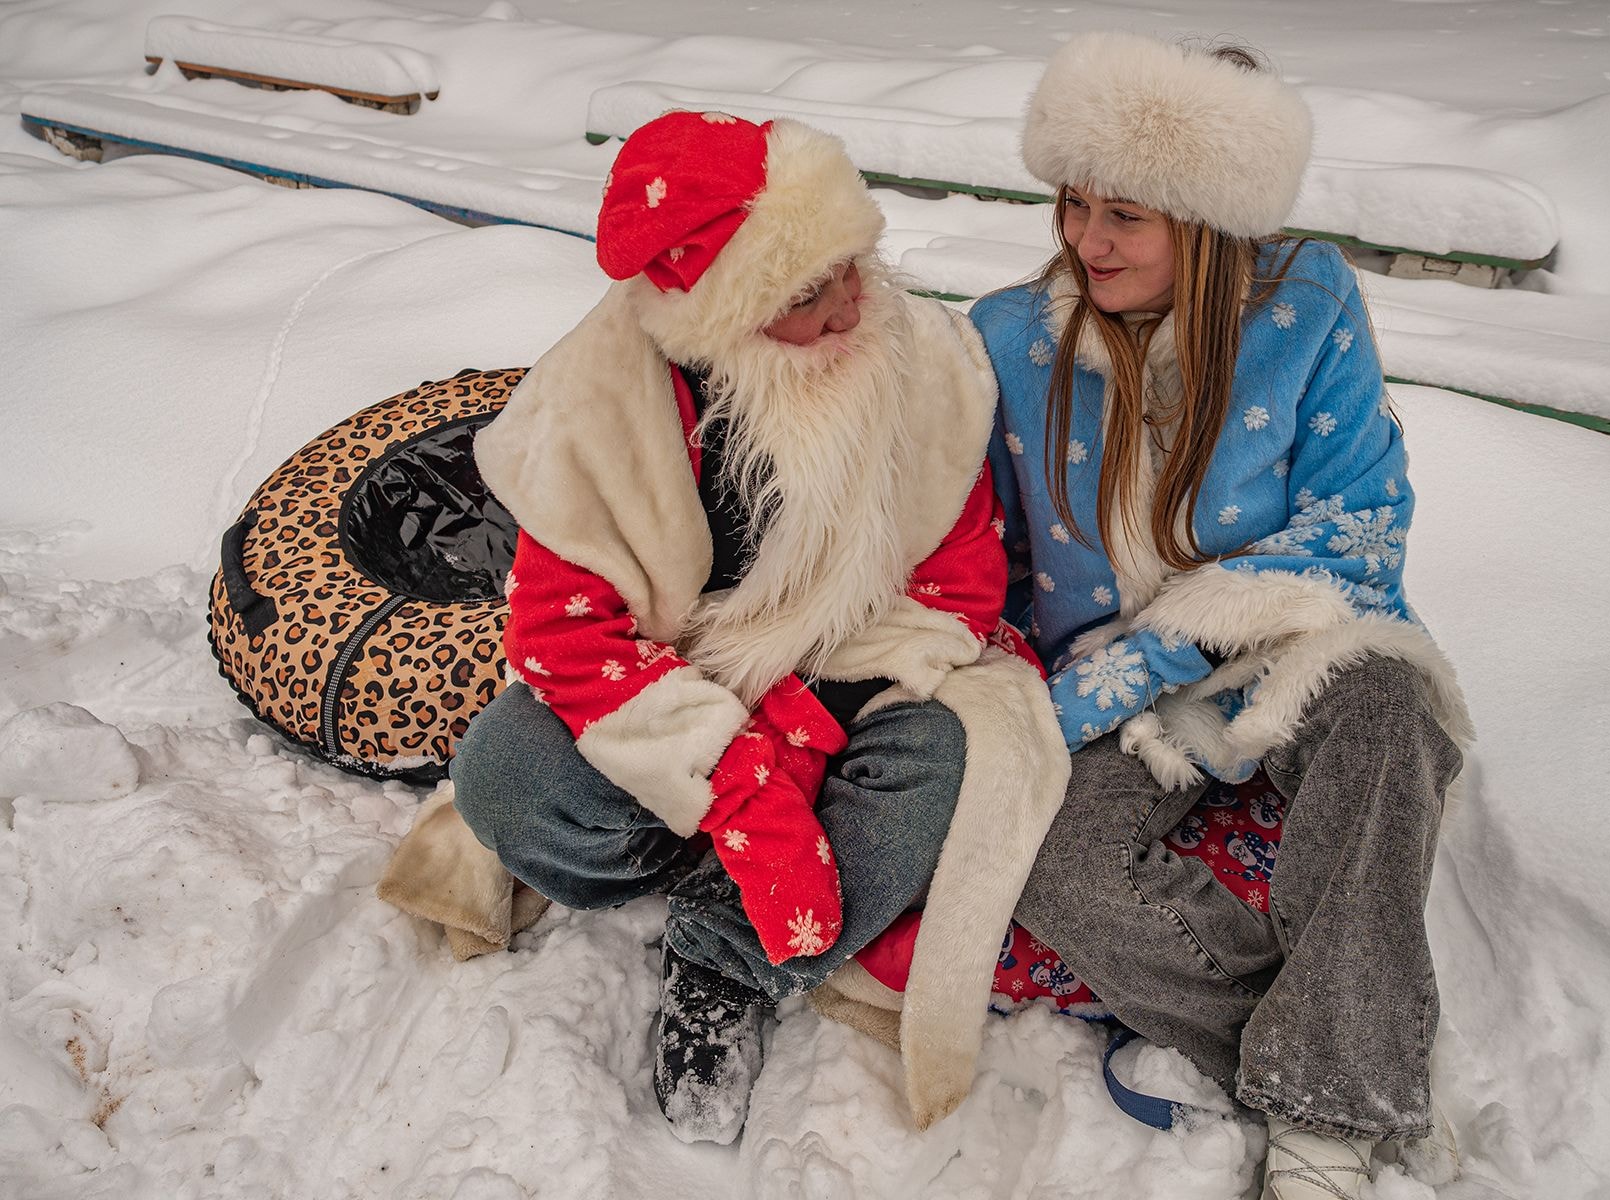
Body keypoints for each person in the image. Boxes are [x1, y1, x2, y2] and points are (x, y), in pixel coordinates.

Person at [437, 110, 1061, 1145]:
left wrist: (801, 735)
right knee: (504, 773)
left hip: (859, 679)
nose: (852, 307)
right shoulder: (595, 407)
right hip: (684, 688)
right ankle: (736, 865)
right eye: (804, 295)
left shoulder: (922, 361)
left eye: (850, 265)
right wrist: (744, 791)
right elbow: (566, 640)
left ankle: (724, 950)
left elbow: (957, 593)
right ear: (715, 317)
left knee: (951, 758)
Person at [970, 33, 1474, 1200]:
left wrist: (1176, 644)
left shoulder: (1308, 302)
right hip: (1107, 683)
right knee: (1042, 854)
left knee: (1394, 718)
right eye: (1074, 203)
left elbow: (1359, 525)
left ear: (1208, 226)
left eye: (1127, 216)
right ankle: (1312, 1045)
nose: (1085, 240)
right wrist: (1052, 697)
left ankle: (1332, 1115)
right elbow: (981, 564)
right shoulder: (1009, 337)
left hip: (1289, 639)